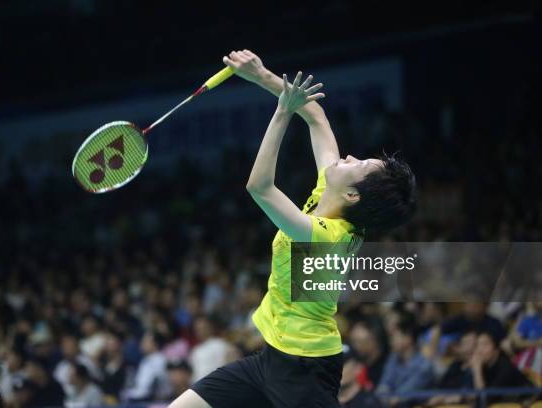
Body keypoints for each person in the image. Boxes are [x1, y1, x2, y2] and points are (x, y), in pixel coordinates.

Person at [170, 49, 416, 408]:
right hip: (272, 358)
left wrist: (282, 111)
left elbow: (260, 187)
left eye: (360, 164)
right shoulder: (329, 195)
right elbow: (316, 117)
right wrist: (260, 75)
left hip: (306, 370)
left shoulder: (326, 238)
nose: (349, 157)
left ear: (352, 194)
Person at [376, 319, 434, 403]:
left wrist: (386, 398)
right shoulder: (393, 358)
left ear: (408, 339)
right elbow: (383, 385)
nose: (391, 341)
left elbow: (402, 396)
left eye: (394, 337)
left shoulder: (424, 367)